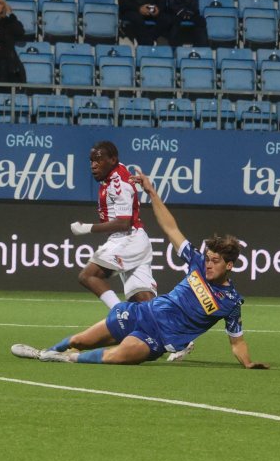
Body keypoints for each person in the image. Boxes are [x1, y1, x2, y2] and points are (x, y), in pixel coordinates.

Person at [11, 172, 268, 369]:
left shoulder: (231, 302)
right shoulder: (197, 263)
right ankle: (45, 352)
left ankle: (66, 359)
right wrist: (151, 192)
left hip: (156, 339)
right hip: (139, 313)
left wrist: (247, 363)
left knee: (116, 357)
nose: (209, 264)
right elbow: (171, 229)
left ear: (230, 266)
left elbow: (237, 341)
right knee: (80, 339)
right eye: (209, 258)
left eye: (215, 261)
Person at [69, 140, 195, 363]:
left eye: (98, 159)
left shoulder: (118, 182)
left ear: (112, 160)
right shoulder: (116, 174)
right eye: (91, 161)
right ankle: (181, 339)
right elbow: (124, 172)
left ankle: (122, 317)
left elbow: (124, 223)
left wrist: (87, 228)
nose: (93, 165)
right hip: (135, 241)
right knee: (145, 301)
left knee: (88, 275)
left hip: (128, 238)